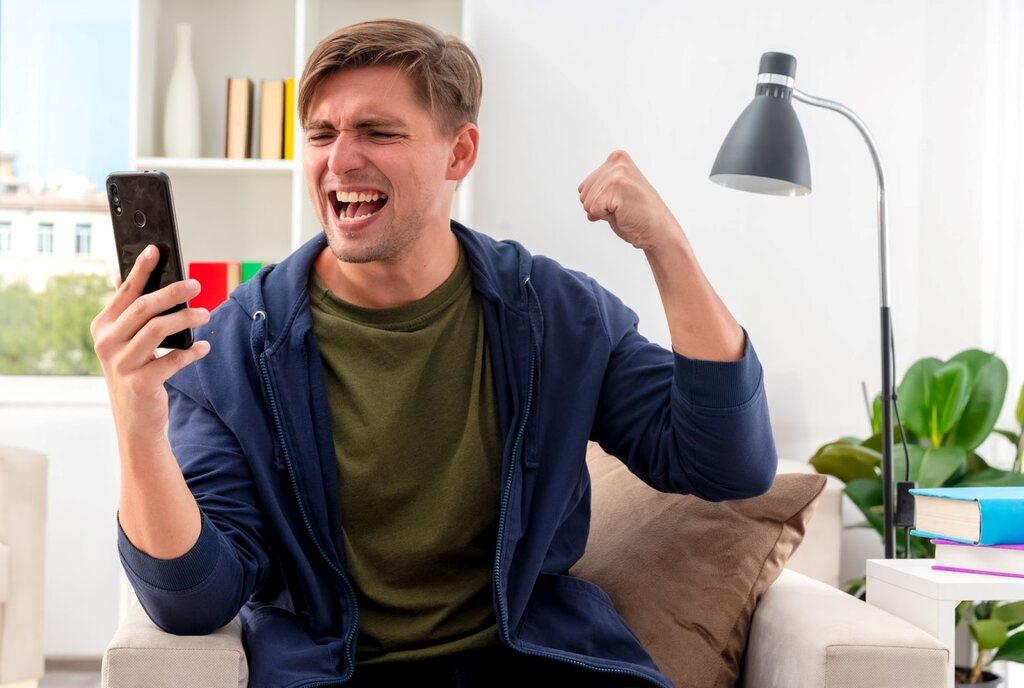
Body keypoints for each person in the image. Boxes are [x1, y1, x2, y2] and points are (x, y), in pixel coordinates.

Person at [91, 18, 777, 688]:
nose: (340, 158)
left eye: (378, 132)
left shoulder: (555, 314)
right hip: (334, 671)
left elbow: (728, 463)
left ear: (459, 152)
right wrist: (137, 421)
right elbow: (194, 601)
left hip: (533, 659)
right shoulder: (234, 347)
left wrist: (669, 248)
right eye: (322, 134)